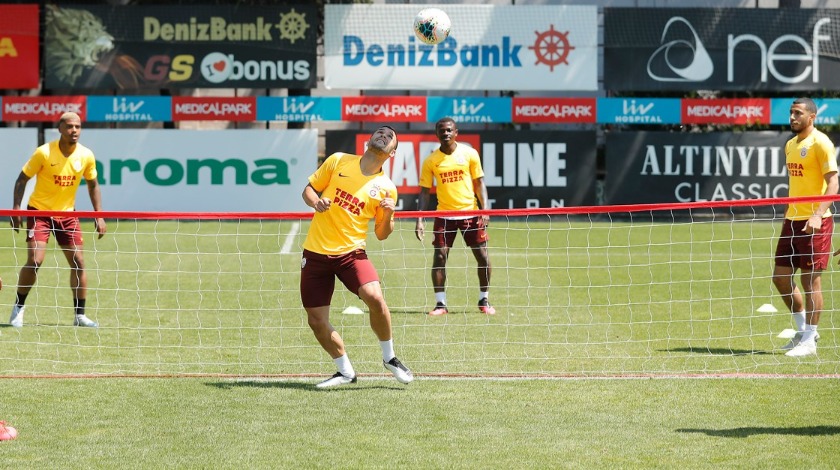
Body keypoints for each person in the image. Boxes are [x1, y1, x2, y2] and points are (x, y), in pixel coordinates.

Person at [300, 125, 413, 388]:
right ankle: (345, 371)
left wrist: (389, 214)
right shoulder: (338, 160)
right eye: (380, 132)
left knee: (375, 296)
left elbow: (382, 234)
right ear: (368, 141)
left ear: (392, 152)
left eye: (389, 136)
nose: (383, 135)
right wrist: (315, 202)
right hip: (315, 252)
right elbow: (307, 190)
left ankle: (390, 357)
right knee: (316, 321)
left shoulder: (386, 188)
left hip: (352, 254)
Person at [9, 112, 107, 328]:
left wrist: (98, 215)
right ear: (60, 128)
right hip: (40, 212)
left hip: (68, 215)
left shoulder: (86, 155)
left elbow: (93, 185)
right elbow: (21, 179)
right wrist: (16, 209)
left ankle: (80, 315)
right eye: (70, 126)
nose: (74, 131)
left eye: (78, 127)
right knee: (35, 260)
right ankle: (18, 308)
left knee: (79, 262)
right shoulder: (43, 152)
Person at [773, 97, 838, 357]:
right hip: (792, 220)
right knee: (780, 277)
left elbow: (833, 184)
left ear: (811, 117)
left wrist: (818, 214)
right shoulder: (790, 144)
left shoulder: (821, 142)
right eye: (790, 113)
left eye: (798, 113)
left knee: (810, 280)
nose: (792, 118)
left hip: (816, 222)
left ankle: (810, 340)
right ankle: (804, 331)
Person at [415, 117, 494, 316]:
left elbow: (479, 183)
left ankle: (484, 299)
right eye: (442, 130)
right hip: (444, 215)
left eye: (449, 130)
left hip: (470, 212)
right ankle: (440, 304)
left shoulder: (469, 153)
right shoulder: (431, 160)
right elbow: (424, 192)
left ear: (456, 132)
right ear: (437, 134)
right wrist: (420, 219)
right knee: (439, 257)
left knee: (483, 257)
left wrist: (485, 209)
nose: (446, 133)